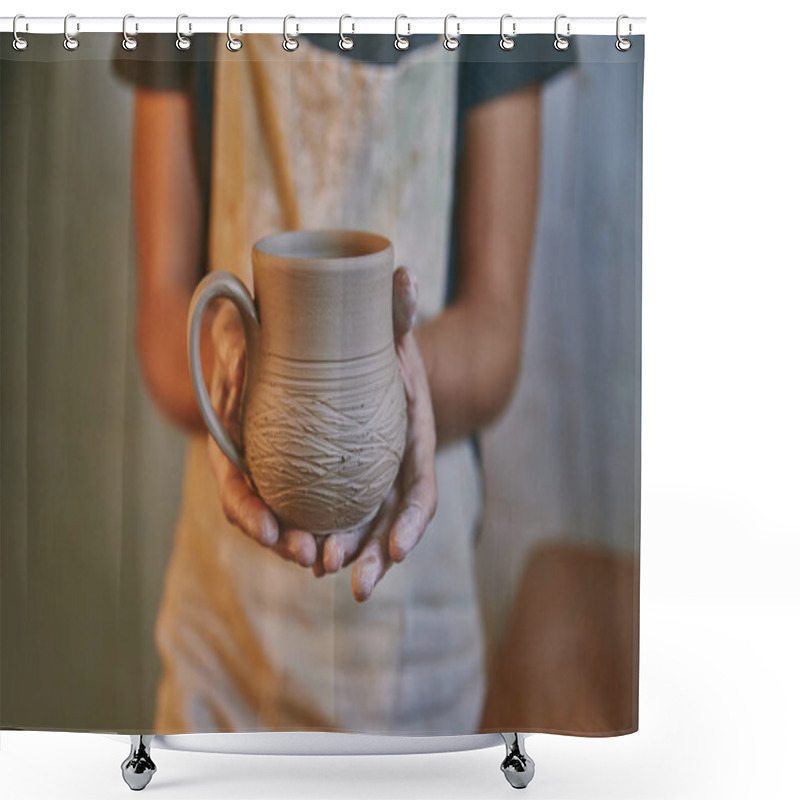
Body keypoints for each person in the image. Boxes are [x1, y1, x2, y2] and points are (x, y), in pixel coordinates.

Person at [114, 32, 574, 735]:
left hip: (414, 634)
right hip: (223, 637)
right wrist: (237, 374)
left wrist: (378, 387)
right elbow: (161, 315)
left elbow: (494, 336)